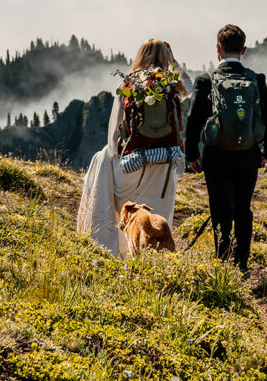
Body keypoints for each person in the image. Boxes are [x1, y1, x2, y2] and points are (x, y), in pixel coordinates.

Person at [77, 39, 193, 257]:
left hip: (132, 168)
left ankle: (120, 255)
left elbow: (113, 137)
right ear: (165, 58)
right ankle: (155, 258)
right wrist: (174, 62)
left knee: (125, 212)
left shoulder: (128, 84)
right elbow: (190, 86)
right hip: (163, 169)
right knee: (158, 216)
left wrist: (119, 160)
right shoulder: (170, 85)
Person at [185, 24, 267, 275]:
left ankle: (223, 263)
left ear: (218, 49)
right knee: (242, 209)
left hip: (216, 156)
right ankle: (242, 264)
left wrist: (192, 155)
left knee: (220, 210)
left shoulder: (206, 80)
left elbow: (193, 120)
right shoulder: (256, 80)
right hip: (248, 154)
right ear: (243, 50)